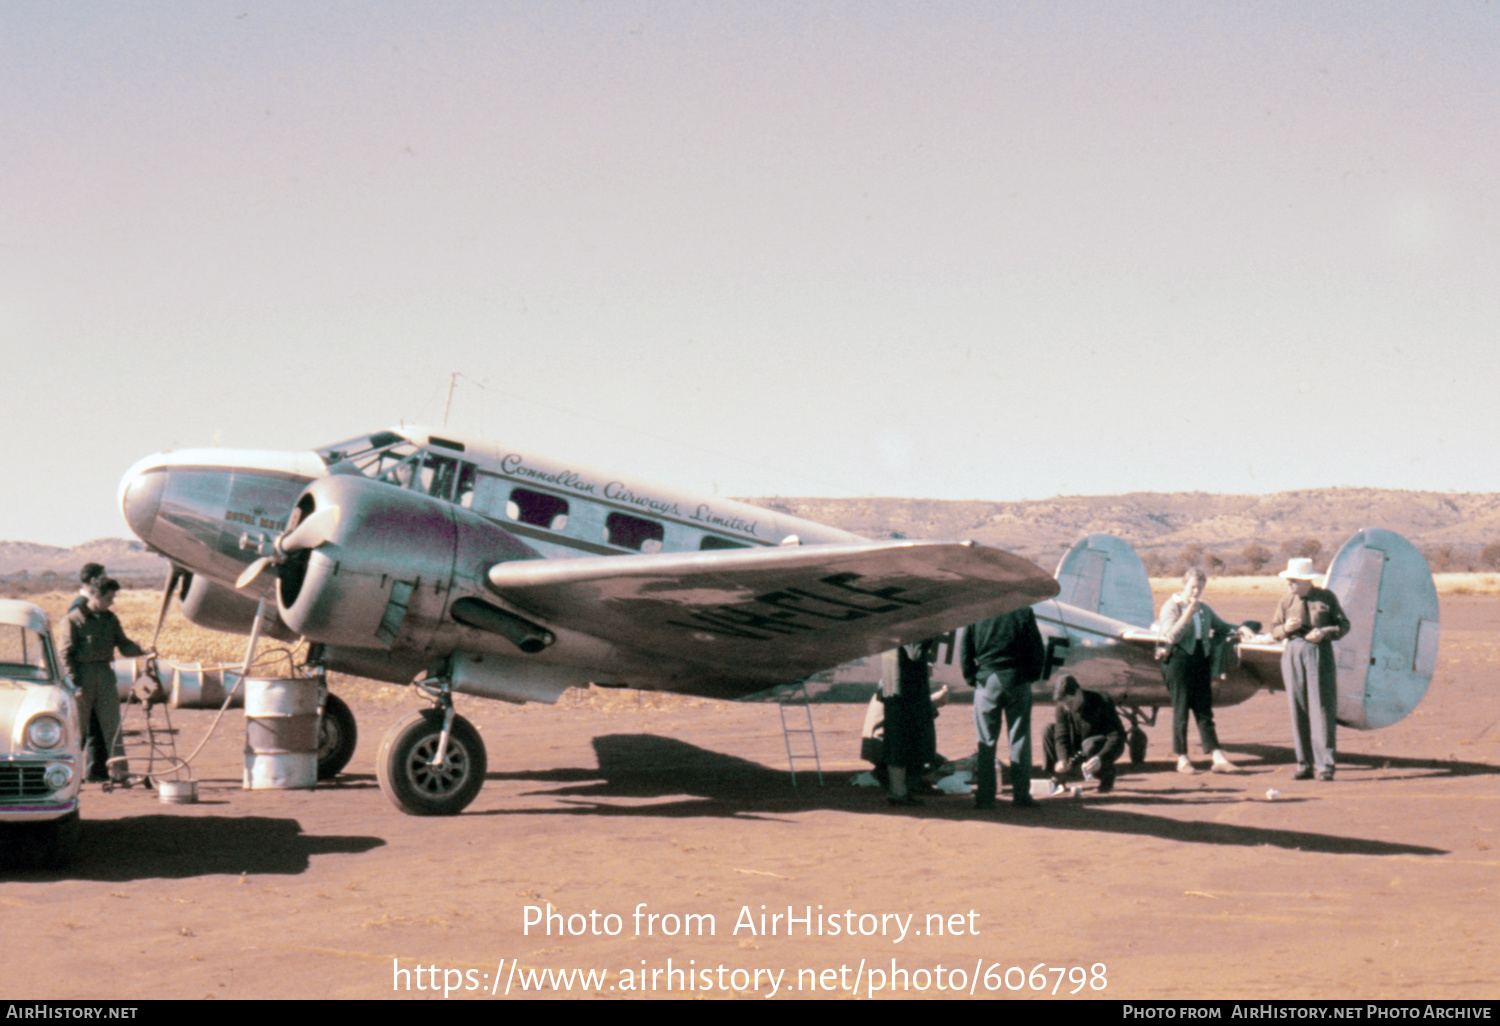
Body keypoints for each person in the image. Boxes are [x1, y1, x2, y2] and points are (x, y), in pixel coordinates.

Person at [1156, 568, 1244, 773]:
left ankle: (1217, 756)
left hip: (1200, 659)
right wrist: (1187, 614)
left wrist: (1241, 629)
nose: (1196, 591)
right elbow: (1170, 635)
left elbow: (1221, 626)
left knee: (1204, 709)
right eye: (1193, 587)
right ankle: (1182, 758)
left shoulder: (1204, 609)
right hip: (1177, 660)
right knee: (1181, 709)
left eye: (1200, 587)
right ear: (1184, 585)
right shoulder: (1172, 606)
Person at [1270, 557, 1350, 781]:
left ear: (1306, 581)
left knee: (1322, 707)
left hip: (1319, 653)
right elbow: (1274, 629)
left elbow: (1344, 625)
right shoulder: (1286, 601)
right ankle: (1304, 764)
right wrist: (1286, 628)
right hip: (1293, 652)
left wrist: (1324, 633)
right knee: (1298, 708)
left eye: (1294, 580)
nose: (1290, 584)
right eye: (1289, 580)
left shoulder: (1326, 598)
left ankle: (1326, 766)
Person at [962, 606, 1046, 809]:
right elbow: (1037, 648)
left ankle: (985, 796)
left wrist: (972, 677)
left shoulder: (976, 610)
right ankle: (1021, 794)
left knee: (986, 741)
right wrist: (1030, 676)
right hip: (1017, 679)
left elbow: (965, 649)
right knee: (1019, 738)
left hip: (987, 679)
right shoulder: (1023, 611)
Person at [64, 577, 145, 784]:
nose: (112, 602)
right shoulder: (73, 620)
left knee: (113, 728)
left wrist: (142, 651)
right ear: (97, 595)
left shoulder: (111, 619)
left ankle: (121, 773)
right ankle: (67, 776)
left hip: (105, 676)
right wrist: (75, 684)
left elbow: (123, 644)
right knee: (76, 732)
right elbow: (65, 655)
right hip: (82, 677)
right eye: (109, 598)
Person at [877, 638, 941, 806]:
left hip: (893, 690)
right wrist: (928, 639)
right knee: (907, 742)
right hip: (908, 692)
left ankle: (897, 790)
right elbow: (914, 654)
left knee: (895, 741)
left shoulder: (892, 631)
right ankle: (901, 790)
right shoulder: (910, 632)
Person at [1043, 674, 1127, 794]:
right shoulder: (1063, 707)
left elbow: (1117, 735)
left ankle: (1106, 775)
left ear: (1078, 692)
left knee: (1089, 744)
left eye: (1070, 703)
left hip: (1097, 747)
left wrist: (1101, 758)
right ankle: (1058, 777)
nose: (1067, 708)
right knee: (1048, 729)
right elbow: (1061, 735)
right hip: (1078, 744)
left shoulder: (1101, 700)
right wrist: (1062, 759)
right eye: (1064, 705)